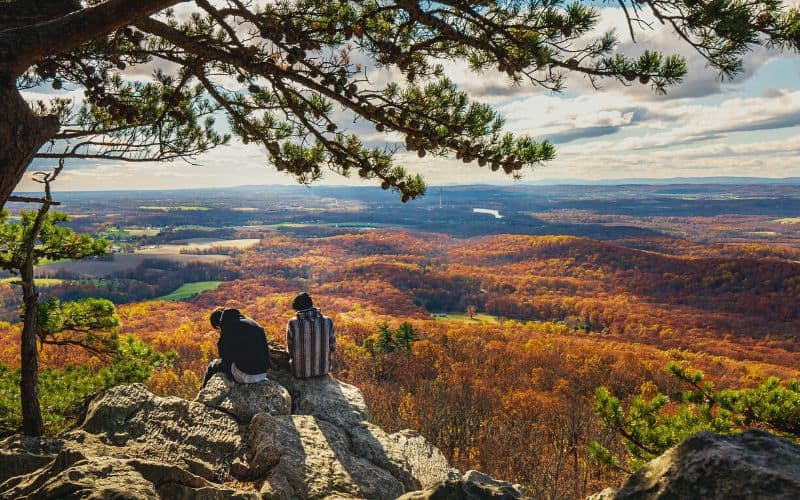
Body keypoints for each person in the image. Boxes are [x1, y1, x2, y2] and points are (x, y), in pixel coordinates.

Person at [202, 307, 271, 387]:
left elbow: (224, 356)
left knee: (213, 365)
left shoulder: (228, 327)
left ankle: (202, 392)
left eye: (218, 328)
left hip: (246, 375)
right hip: (263, 374)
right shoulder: (251, 322)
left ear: (219, 324)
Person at [286, 292, 336, 378]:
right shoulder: (328, 321)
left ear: (297, 308)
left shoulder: (293, 323)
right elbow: (332, 346)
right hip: (323, 370)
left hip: (300, 372)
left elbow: (290, 348)